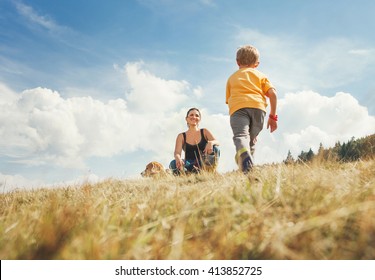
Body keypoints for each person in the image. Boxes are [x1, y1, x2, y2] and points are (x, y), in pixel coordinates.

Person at [226, 45, 278, 174]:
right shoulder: (261, 76)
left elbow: (229, 100)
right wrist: (273, 117)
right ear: (257, 64)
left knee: (241, 136)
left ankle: (243, 154)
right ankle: (248, 170)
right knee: (251, 140)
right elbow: (273, 94)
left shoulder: (232, 78)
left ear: (237, 62)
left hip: (238, 109)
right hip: (258, 109)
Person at [169, 108, 220, 175]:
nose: (194, 117)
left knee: (216, 149)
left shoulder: (204, 131)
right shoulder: (181, 136)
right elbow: (177, 152)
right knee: (173, 163)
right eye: (191, 115)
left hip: (204, 163)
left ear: (200, 119)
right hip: (189, 164)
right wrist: (178, 158)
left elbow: (217, 142)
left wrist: (211, 142)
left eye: (197, 115)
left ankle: (209, 171)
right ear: (186, 119)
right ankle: (187, 173)